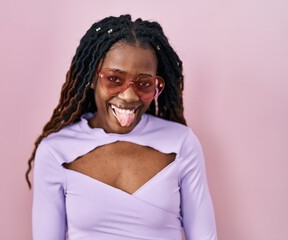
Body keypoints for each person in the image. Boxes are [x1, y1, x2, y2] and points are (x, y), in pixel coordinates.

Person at [25, 14, 217, 240]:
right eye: (114, 79)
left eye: (144, 84)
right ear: (93, 78)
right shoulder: (55, 151)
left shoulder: (181, 142)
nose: (128, 96)